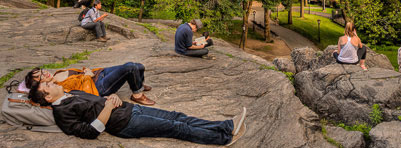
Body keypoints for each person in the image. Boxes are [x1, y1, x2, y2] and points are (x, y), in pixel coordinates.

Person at [28, 80, 246, 145]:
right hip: (125, 125)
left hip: (130, 108)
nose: (51, 81)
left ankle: (225, 125)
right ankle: (223, 138)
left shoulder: (70, 92)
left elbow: (98, 100)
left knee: (177, 116)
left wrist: (110, 98)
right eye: (48, 85)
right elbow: (90, 131)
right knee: (175, 128)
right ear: (48, 97)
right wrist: (107, 107)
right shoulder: (62, 113)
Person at [24, 62, 155, 106]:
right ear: (39, 85)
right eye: (40, 77)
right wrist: (88, 76)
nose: (45, 73)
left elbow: (78, 74)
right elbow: (83, 93)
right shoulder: (57, 87)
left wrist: (86, 71)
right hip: (98, 86)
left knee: (138, 66)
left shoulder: (57, 73)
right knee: (130, 67)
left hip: (97, 73)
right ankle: (137, 95)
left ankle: (138, 84)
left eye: (42, 71)